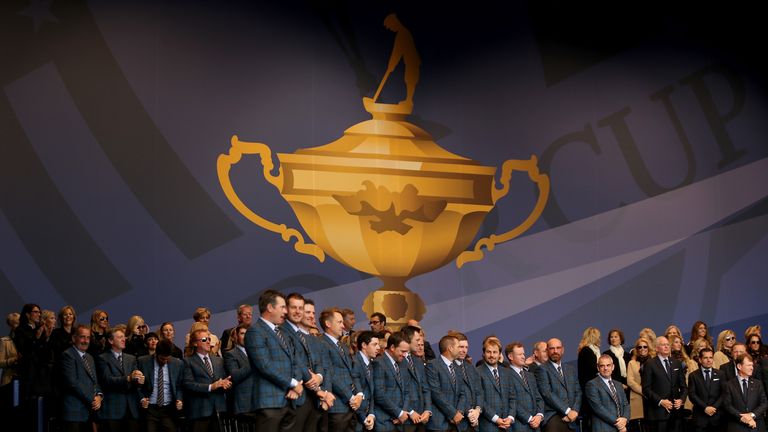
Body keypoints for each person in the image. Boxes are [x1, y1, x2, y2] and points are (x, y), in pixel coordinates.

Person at [246, 290, 305, 432]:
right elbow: (265, 366)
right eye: (283, 307)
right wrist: (293, 383)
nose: (286, 312)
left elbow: (295, 361)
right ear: (270, 307)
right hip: (269, 403)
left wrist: (296, 385)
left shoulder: (282, 332)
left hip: (290, 401)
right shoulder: (255, 332)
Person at [282, 293, 333, 432]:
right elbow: (295, 361)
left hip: (312, 399)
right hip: (297, 396)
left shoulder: (309, 338)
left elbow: (319, 364)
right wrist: (316, 386)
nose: (299, 312)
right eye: (294, 308)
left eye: (301, 308)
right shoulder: (283, 331)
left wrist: (319, 378)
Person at [320, 307, 364, 432]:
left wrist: (359, 394)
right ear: (328, 324)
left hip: (352, 406)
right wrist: (350, 397)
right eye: (339, 322)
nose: (343, 326)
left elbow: (353, 372)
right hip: (337, 407)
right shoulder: (321, 343)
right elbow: (330, 374)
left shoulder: (343, 347)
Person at [182, 328, 232, 432]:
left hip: (218, 410)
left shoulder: (219, 361)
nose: (209, 341)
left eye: (209, 339)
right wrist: (211, 387)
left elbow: (223, 381)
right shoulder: (188, 361)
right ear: (195, 343)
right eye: (204, 339)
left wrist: (226, 384)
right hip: (199, 412)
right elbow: (188, 384)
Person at [96, 328, 143, 432]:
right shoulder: (102, 358)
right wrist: (128, 378)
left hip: (131, 410)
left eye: (124, 337)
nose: (124, 339)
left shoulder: (131, 358)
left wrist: (139, 380)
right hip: (112, 411)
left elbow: (135, 382)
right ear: (111, 341)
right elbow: (106, 380)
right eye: (120, 337)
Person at [60, 324, 103, 432]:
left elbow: (95, 381)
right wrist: (93, 399)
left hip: (89, 413)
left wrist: (99, 396)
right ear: (74, 338)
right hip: (74, 412)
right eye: (82, 337)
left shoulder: (89, 357)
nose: (86, 341)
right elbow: (73, 382)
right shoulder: (68, 355)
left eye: (88, 337)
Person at [535, 338, 582, 432]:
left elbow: (578, 392)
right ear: (547, 350)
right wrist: (568, 411)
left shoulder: (570, 369)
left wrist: (575, 411)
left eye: (558, 348)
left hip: (572, 418)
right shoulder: (542, 369)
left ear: (562, 350)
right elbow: (547, 393)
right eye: (552, 348)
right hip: (553, 417)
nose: (555, 351)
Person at [137, 339, 185, 432]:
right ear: (156, 354)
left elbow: (179, 386)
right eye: (162, 359)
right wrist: (142, 398)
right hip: (149, 409)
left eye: (168, 359)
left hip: (168, 409)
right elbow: (137, 386)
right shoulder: (143, 362)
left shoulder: (178, 363)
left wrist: (179, 399)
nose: (165, 362)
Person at [641, 336, 687, 432]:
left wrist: (681, 400)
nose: (666, 346)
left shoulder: (676, 363)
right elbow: (646, 389)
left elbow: (684, 387)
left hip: (676, 413)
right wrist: (661, 401)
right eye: (663, 345)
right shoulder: (650, 364)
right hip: (658, 413)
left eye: (667, 344)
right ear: (657, 348)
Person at [375, 14, 421, 106]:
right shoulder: (403, 33)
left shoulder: (402, 34)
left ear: (394, 23)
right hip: (410, 61)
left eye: (390, 26)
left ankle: (409, 100)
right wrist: (391, 65)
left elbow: (397, 52)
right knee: (409, 79)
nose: (390, 29)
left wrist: (391, 65)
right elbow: (397, 52)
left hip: (412, 61)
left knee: (410, 79)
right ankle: (408, 100)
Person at [425, 334, 468, 431]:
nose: (461, 350)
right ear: (450, 348)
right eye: (458, 347)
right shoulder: (432, 365)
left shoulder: (457, 368)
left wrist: (459, 412)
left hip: (457, 424)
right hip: (439, 423)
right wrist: (453, 413)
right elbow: (436, 393)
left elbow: (463, 393)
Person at [476, 337, 516, 431]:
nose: (492, 355)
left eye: (495, 352)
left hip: (508, 425)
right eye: (488, 352)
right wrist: (496, 419)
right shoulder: (477, 372)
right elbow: (480, 400)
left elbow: (512, 397)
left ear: (499, 354)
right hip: (488, 425)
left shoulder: (507, 372)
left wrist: (510, 417)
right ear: (483, 353)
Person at [721, 354, 767, 432]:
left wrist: (751, 415)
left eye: (752, 365)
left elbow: (764, 403)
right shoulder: (728, 385)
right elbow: (727, 405)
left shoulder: (758, 383)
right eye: (749, 365)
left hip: (757, 425)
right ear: (739, 366)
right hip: (736, 426)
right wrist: (741, 417)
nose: (752, 368)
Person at [507, 342, 545, 432]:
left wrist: (539, 415)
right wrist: (530, 419)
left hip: (536, 426)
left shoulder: (530, 375)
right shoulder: (505, 375)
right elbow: (512, 401)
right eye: (520, 354)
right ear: (510, 357)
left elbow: (538, 398)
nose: (523, 356)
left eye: (523, 353)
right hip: (519, 426)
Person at [585, 354, 629, 432]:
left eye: (608, 365)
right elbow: (598, 408)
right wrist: (619, 424)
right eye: (602, 366)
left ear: (613, 367)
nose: (605, 368)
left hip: (621, 428)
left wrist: (625, 419)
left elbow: (625, 404)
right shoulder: (591, 384)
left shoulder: (618, 384)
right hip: (603, 428)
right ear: (598, 368)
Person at [401, 325, 433, 429]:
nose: (420, 342)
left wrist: (427, 410)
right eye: (417, 339)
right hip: (405, 418)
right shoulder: (398, 360)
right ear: (407, 339)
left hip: (422, 418)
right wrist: (410, 411)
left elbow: (426, 388)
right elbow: (396, 391)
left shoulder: (417, 360)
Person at [450, 331, 483, 429]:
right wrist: (470, 413)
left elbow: (479, 392)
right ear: (453, 347)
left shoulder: (471, 367)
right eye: (461, 347)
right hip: (457, 421)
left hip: (473, 422)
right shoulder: (449, 367)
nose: (464, 350)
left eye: (466, 347)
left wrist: (477, 410)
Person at [223, 323, 255, 420]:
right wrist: (253, 361)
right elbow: (235, 376)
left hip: (261, 401)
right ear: (236, 336)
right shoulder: (230, 354)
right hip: (244, 404)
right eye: (242, 333)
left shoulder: (257, 352)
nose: (246, 336)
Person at [687, 348, 723, 432]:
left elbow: (724, 394)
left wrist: (714, 407)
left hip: (717, 417)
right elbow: (692, 395)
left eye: (710, 357)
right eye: (705, 358)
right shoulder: (693, 375)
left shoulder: (720, 374)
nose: (709, 360)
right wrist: (705, 407)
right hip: (700, 417)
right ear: (700, 359)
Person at [626, 337, 653, 432]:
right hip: (639, 397)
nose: (642, 349)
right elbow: (630, 381)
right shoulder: (632, 363)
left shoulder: (654, 362)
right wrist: (644, 391)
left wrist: (651, 393)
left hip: (652, 399)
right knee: (641, 427)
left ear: (648, 348)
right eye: (640, 347)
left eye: (645, 347)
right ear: (636, 349)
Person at [578, 327, 602, 432]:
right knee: (591, 419)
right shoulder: (587, 351)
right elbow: (592, 370)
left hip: (592, 388)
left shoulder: (591, 350)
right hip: (590, 389)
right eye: (598, 336)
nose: (599, 339)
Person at [353, 330, 378, 431]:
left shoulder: (371, 364)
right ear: (364, 345)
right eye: (375, 344)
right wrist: (364, 418)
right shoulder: (354, 362)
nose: (378, 348)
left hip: (368, 418)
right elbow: (355, 395)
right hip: (355, 419)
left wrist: (371, 414)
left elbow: (371, 392)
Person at [0, 312, 20, 386]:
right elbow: (0, 362)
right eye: (16, 323)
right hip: (9, 380)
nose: (19, 326)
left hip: (26, 380)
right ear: (11, 326)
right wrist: (15, 359)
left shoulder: (29, 339)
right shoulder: (4, 341)